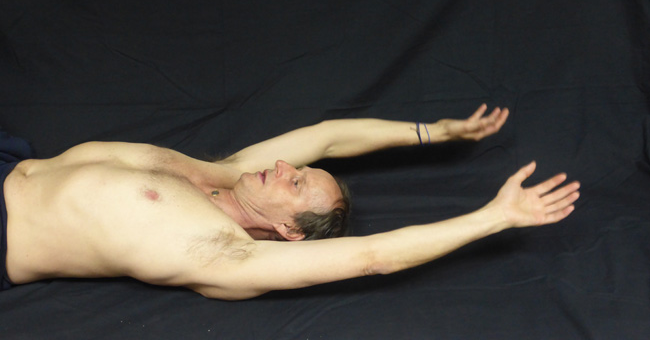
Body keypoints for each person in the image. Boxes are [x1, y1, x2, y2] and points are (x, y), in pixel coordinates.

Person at [1, 104, 580, 300]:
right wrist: (435, 131)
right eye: (297, 171)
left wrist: (495, 217)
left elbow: (373, 256)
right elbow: (328, 136)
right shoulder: (226, 173)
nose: (283, 167)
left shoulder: (224, 255)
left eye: (296, 185)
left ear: (290, 232)